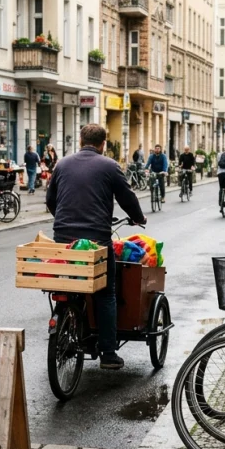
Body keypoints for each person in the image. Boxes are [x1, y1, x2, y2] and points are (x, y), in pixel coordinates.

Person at [46, 124, 145, 370]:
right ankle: (108, 353)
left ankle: (67, 322)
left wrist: (63, 220)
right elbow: (127, 197)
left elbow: (50, 200)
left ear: (80, 141)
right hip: (96, 240)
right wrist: (138, 218)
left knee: (68, 284)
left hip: (64, 238)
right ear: (103, 144)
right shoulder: (109, 166)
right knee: (105, 293)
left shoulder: (62, 164)